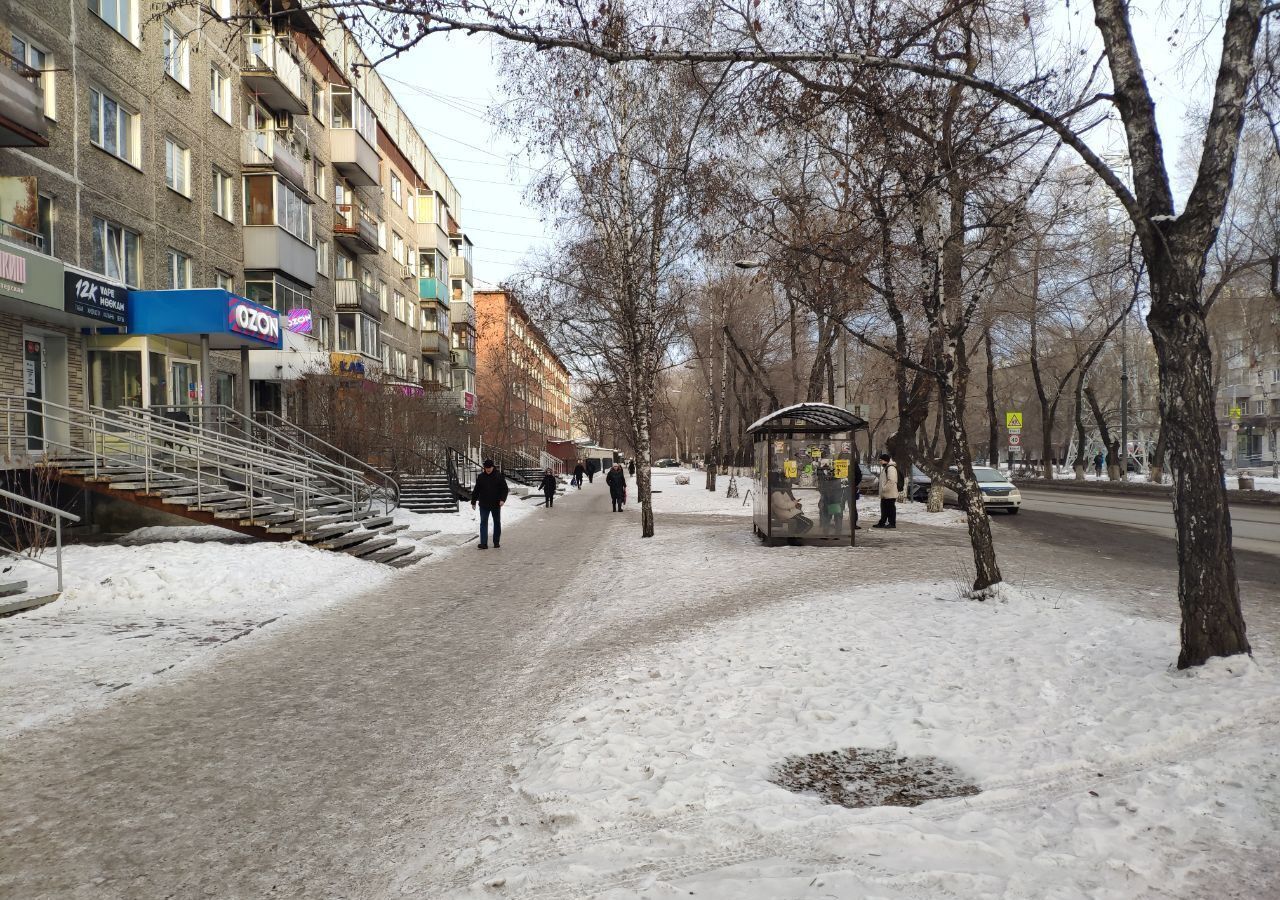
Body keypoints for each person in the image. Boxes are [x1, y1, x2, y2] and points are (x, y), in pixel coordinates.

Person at [470, 459, 509, 549]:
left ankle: (496, 541)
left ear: (492, 467)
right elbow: (476, 490)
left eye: (489, 468)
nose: (488, 469)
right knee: (483, 522)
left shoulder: (498, 476)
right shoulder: (481, 477)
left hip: (496, 504)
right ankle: (483, 543)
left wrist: (502, 499)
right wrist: (473, 501)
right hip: (484, 504)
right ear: (484, 468)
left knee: (497, 522)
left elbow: (505, 489)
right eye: (486, 468)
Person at [816, 464, 846, 535]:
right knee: (836, 516)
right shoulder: (840, 479)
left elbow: (821, 488)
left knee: (827, 516)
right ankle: (837, 532)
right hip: (835, 499)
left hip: (829, 499)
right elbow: (845, 489)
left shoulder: (826, 480)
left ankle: (826, 532)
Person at [873, 452, 898, 529]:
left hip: (889, 493)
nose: (880, 462)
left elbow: (891, 480)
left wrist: (884, 489)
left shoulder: (891, 468)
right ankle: (882, 523)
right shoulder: (886, 467)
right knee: (884, 509)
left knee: (890, 509)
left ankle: (892, 523)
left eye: (881, 460)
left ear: (885, 460)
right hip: (885, 494)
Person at [852, 459, 864, 529]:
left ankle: (838, 524)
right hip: (851, 488)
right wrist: (854, 484)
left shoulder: (839, 460)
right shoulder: (853, 461)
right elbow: (859, 475)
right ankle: (853, 524)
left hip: (840, 488)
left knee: (839, 506)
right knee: (853, 507)